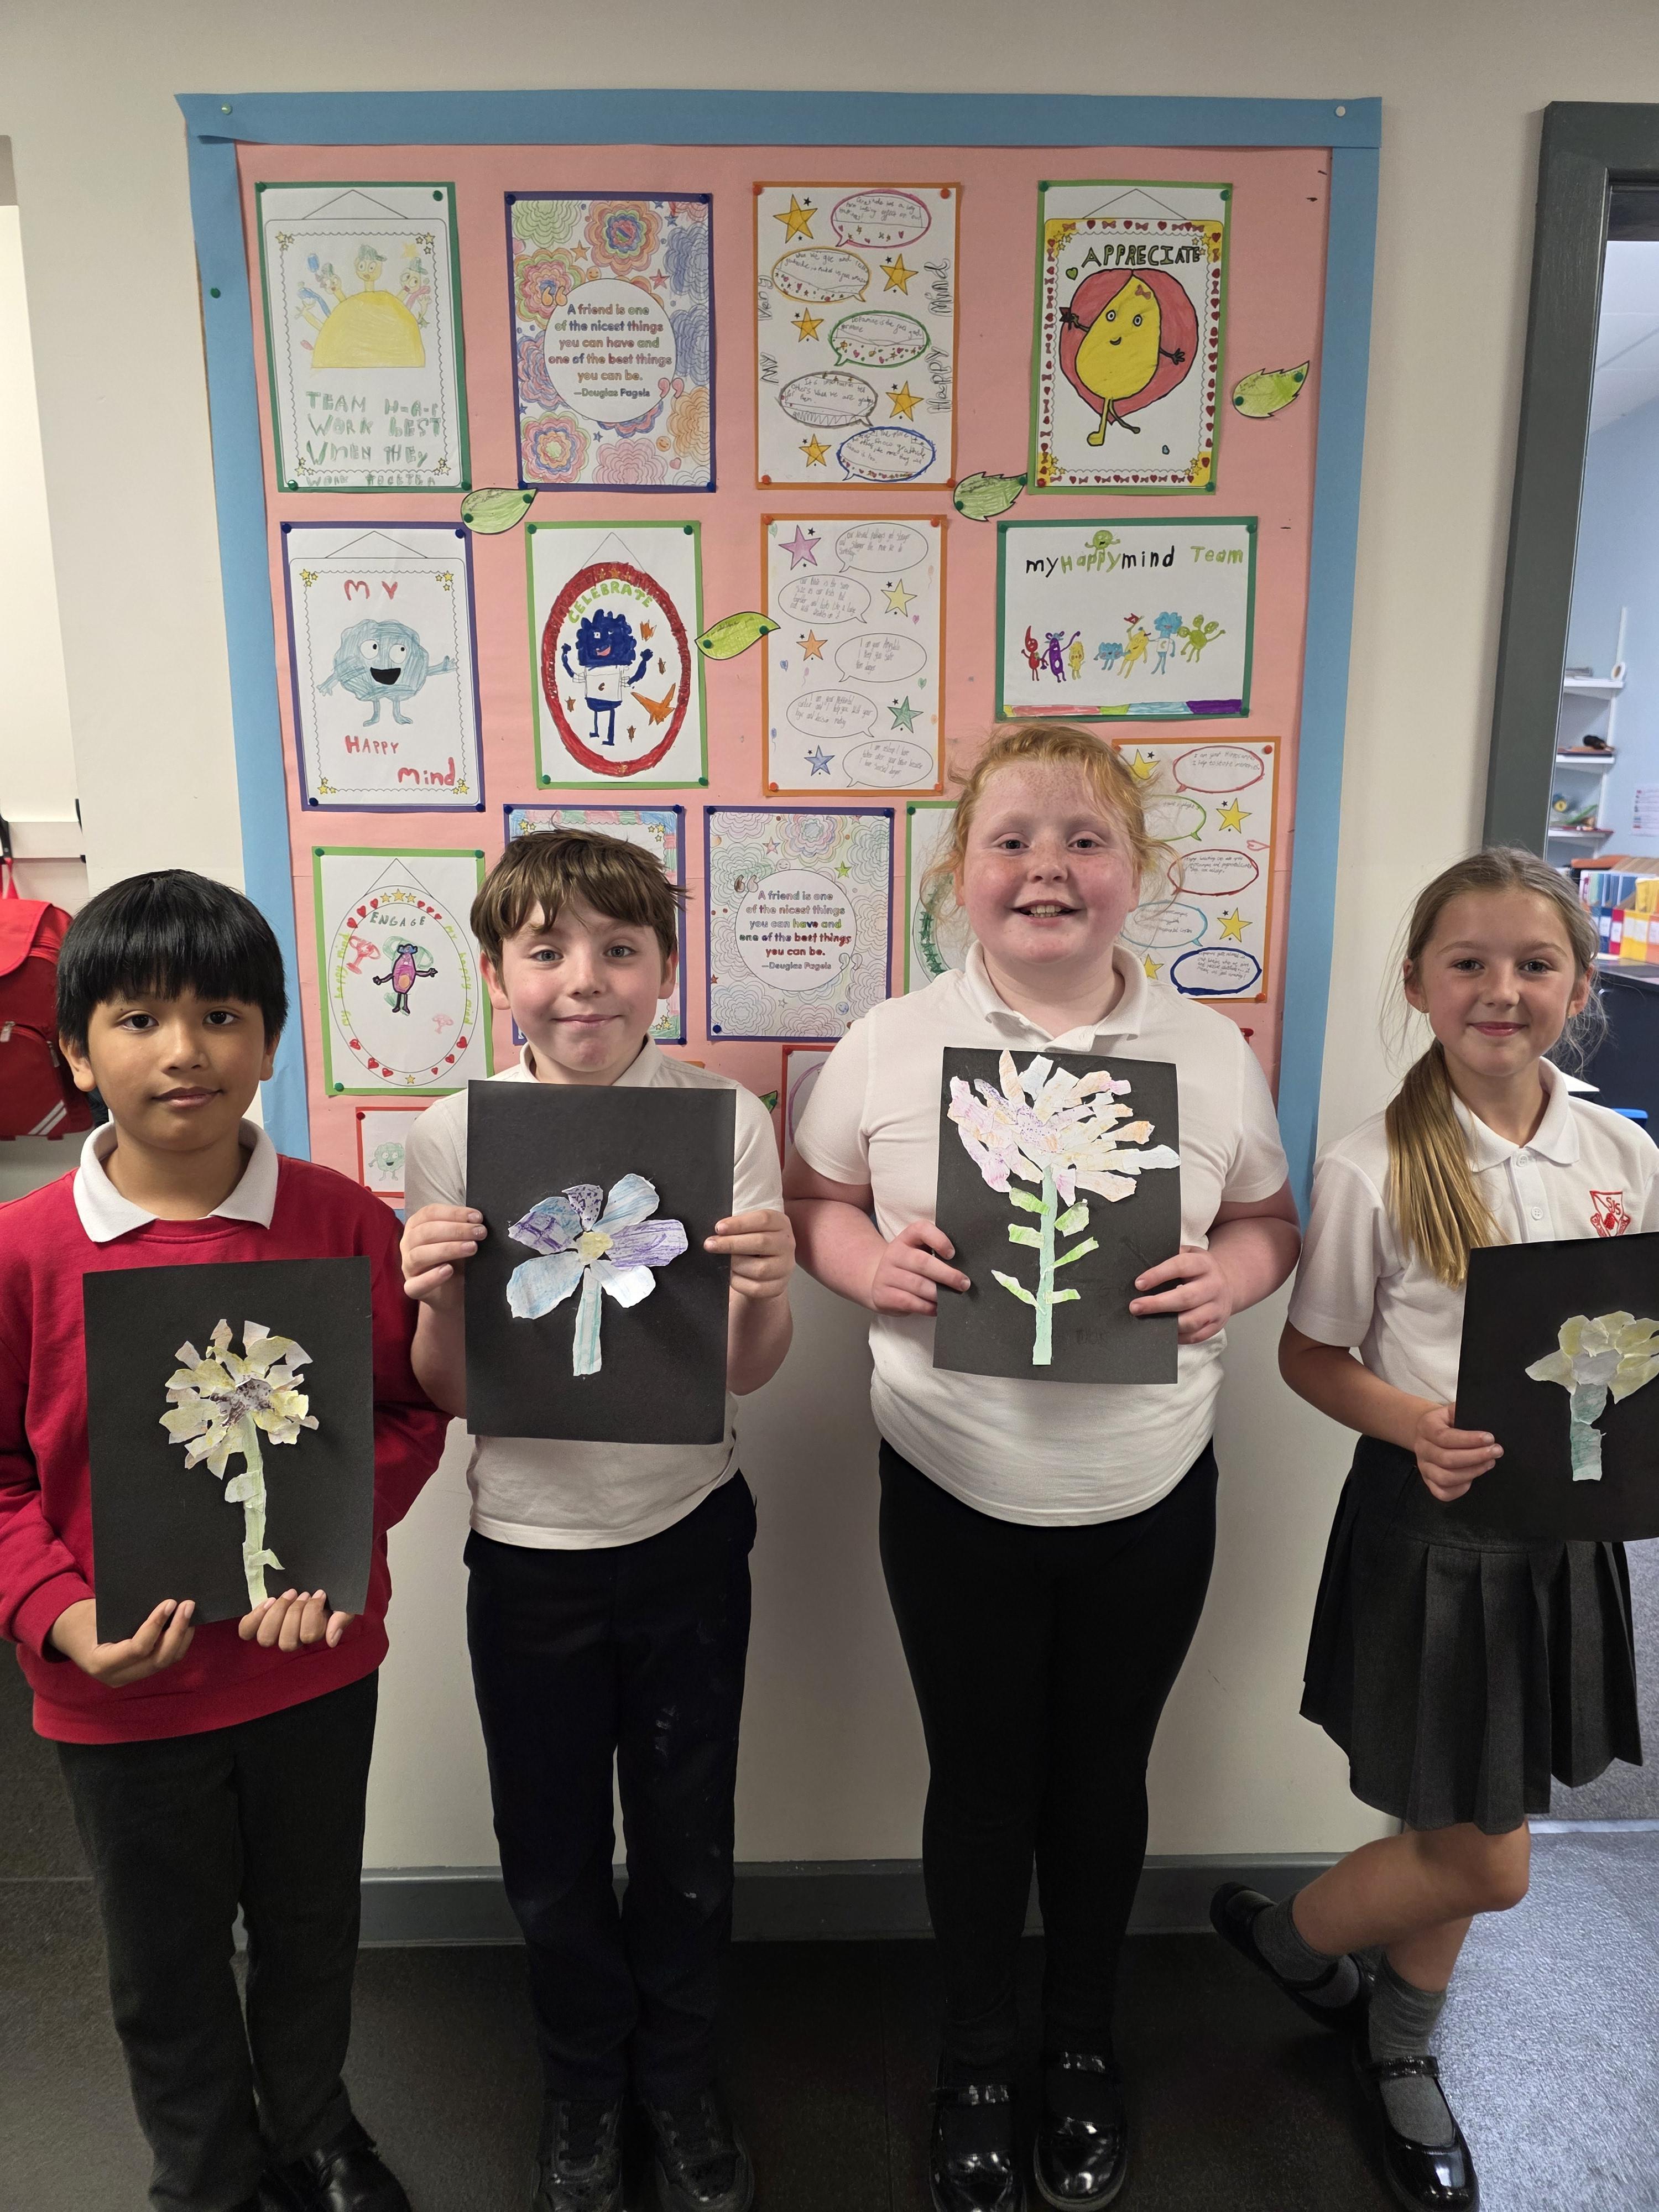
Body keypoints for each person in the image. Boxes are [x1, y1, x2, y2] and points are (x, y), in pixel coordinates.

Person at [784, 723, 1300, 2212]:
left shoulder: (1207, 1051)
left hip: (1151, 1487)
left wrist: (1231, 1278)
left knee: (1102, 1777)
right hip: (953, 1483)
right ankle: (976, 2059)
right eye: (1012, 839)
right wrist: (864, 1260)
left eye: (1086, 839)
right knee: (979, 1780)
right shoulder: (892, 1042)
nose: (1048, 869)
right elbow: (815, 1193)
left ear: (1139, 871)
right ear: (961, 869)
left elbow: (1267, 1222)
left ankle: (1080, 2044)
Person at [0, 869, 448, 2212]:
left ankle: (312, 2124)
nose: (184, 1049)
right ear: (77, 1051)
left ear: (270, 1039)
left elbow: (407, 1409)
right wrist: (58, 1612)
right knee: (165, 1956)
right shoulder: (25, 1252)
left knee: (312, 1925)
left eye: (220, 1014)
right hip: (119, 1690)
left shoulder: (341, 1221)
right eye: (139, 1018)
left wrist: (333, 1543)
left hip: (309, 1666)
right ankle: (204, 2168)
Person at [1214, 847, 1653, 2211]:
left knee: (1479, 1797)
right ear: (1418, 982)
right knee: (1487, 1848)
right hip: (1436, 1519)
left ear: (1580, 985)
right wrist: (1415, 1421)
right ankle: (1297, 1942)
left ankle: (1400, 2038)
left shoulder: (1626, 1152)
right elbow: (1310, 1355)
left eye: (1534, 963)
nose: (1500, 988)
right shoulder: (1371, 1164)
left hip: (1566, 1523)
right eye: (1468, 961)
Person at [400, 831, 793, 2212]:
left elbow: (749, 1370)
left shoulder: (722, 1117)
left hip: (687, 1529)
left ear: (666, 968)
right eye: (548, 950)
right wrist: (434, 1299)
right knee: (551, 1842)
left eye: (621, 949)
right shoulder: (454, 1132)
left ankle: (677, 2076)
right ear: (495, 972)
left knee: (687, 1834)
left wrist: (766, 1289)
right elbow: (451, 1391)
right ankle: (582, 2081)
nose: (586, 980)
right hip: (528, 1551)